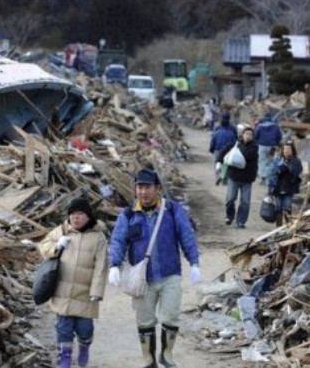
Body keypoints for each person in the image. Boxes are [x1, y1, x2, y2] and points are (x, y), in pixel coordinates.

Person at [108, 169, 200, 368]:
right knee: (145, 320)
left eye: (147, 187)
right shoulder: (129, 214)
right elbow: (118, 240)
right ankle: (148, 358)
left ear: (157, 188)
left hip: (170, 273)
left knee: (171, 315)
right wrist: (114, 265)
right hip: (143, 278)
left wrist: (194, 262)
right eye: (139, 187)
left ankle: (167, 354)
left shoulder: (172, 210)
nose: (143, 192)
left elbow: (186, 235)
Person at [38, 197, 108, 368]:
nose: (75, 218)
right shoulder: (61, 231)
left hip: (85, 293)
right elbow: (43, 246)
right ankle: (65, 358)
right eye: (72, 214)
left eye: (79, 214)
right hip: (62, 290)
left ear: (88, 216)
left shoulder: (98, 237)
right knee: (63, 327)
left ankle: (84, 347)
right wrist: (56, 247)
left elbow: (101, 265)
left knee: (85, 328)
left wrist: (97, 291)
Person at [216, 126, 258, 228]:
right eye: (246, 134)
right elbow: (222, 152)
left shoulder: (254, 147)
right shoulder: (234, 144)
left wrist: (239, 145)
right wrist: (219, 162)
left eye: (250, 135)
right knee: (230, 199)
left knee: (245, 202)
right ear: (242, 135)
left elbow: (247, 155)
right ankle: (229, 217)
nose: (248, 136)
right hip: (234, 177)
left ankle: (241, 221)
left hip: (247, 179)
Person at [267, 141, 303, 226]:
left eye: (288, 149)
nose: (286, 151)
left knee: (287, 206)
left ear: (292, 150)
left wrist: (287, 168)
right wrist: (271, 185)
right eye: (285, 149)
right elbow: (272, 173)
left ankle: (288, 225)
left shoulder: (296, 161)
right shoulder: (278, 160)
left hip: (289, 188)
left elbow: (296, 172)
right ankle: (278, 227)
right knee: (278, 208)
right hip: (278, 187)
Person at [254, 112, 282, 185]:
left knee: (262, 162)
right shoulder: (275, 126)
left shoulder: (259, 126)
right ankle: (269, 178)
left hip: (262, 146)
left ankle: (263, 177)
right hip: (272, 147)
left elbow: (255, 135)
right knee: (270, 162)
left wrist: (256, 143)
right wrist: (276, 143)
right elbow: (279, 136)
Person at [209, 112, 237, 183]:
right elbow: (235, 140)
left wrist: (211, 149)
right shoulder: (232, 129)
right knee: (226, 163)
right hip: (228, 150)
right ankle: (225, 178)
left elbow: (213, 139)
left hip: (218, 149)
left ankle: (218, 176)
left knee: (217, 162)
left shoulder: (217, 128)